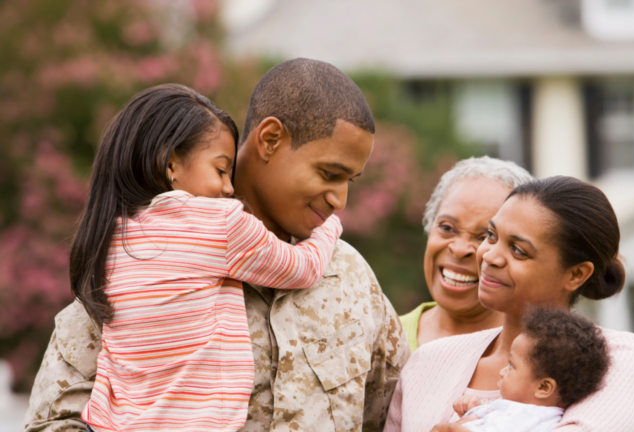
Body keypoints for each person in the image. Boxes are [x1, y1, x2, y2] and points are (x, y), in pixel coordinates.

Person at [23, 58, 410, 432]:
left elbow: (400, 414)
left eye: (350, 181)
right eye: (329, 174)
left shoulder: (350, 276)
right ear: (271, 139)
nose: (340, 200)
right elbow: (52, 423)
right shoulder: (141, 256)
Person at [67, 84, 342, 431]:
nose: (229, 188)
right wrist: (329, 228)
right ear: (170, 165)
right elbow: (303, 269)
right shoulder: (220, 222)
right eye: (221, 170)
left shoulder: (111, 238)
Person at [400, 158, 634, 432]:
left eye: (518, 250)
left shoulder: (613, 357)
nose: (489, 256)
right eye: (491, 236)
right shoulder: (427, 361)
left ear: (576, 274)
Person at [399, 157, 532, 352]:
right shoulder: (380, 339)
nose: (460, 250)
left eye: (486, 236)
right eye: (447, 227)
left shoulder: (541, 354)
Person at [452, 307, 609, 432]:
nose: (502, 371)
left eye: (511, 365)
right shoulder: (512, 407)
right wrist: (473, 411)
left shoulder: (536, 419)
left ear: (543, 387)